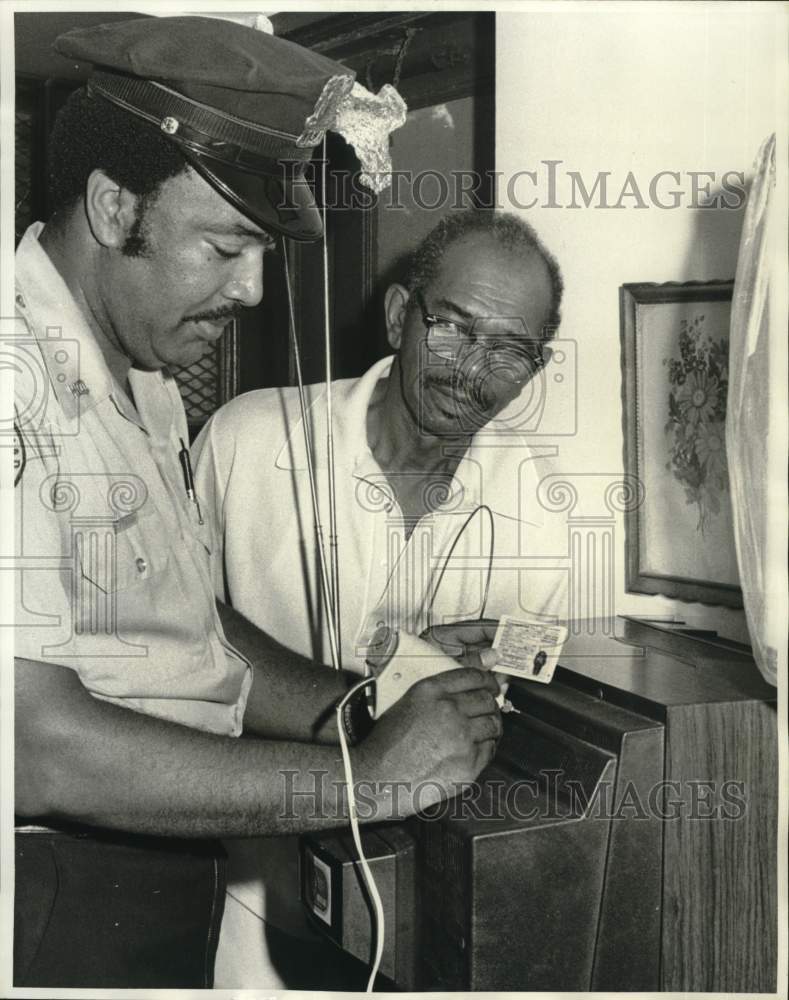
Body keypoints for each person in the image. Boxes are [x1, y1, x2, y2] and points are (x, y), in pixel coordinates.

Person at [11, 16, 502, 988]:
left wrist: (362, 705)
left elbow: (193, 632)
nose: (253, 288)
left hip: (157, 881)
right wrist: (372, 780)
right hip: (51, 896)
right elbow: (33, 744)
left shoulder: (136, 369)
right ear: (115, 208)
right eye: (228, 246)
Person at [192, 209, 569, 987]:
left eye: (508, 348)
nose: (471, 369)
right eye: (452, 327)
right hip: (245, 895)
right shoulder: (248, 439)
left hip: (421, 920)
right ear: (400, 315)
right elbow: (161, 636)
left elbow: (531, 711)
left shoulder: (543, 505)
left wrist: (495, 677)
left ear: (535, 367)